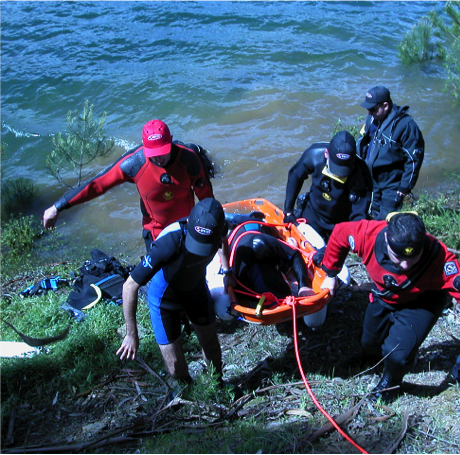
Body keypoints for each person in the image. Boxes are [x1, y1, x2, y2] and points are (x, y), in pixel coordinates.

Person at [320, 212, 460, 402]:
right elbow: (340, 234)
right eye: (397, 256)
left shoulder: (440, 260)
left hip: (421, 302)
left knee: (397, 355)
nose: (405, 264)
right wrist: (330, 274)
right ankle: (370, 358)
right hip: (385, 295)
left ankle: (391, 382)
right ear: (387, 239)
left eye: (413, 257)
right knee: (369, 341)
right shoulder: (367, 235)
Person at [43, 119, 215, 252]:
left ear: (170, 141)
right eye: (153, 154)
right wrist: (58, 206)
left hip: (187, 226)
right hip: (156, 233)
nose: (159, 159)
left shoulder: (189, 159)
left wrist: (214, 228)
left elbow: (207, 199)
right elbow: (97, 185)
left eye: (163, 152)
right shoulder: (135, 163)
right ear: (144, 146)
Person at [116, 198, 230, 384]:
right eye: (196, 243)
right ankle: (188, 387)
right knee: (176, 368)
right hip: (165, 300)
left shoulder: (220, 227)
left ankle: (217, 385)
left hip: (196, 291)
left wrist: (227, 271)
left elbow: (224, 238)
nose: (198, 251)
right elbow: (129, 286)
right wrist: (131, 334)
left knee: (212, 347)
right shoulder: (169, 243)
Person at [283, 131, 372, 241]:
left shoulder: (362, 174)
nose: (339, 174)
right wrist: (288, 210)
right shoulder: (314, 155)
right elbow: (295, 175)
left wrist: (349, 238)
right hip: (312, 213)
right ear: (326, 153)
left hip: (340, 223)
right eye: (336, 168)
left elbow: (359, 213)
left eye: (344, 170)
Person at [357, 86, 424, 221]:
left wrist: (405, 186)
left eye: (373, 109)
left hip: (392, 184)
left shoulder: (406, 125)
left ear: (385, 106)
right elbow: (364, 142)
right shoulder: (372, 119)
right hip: (373, 179)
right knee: (373, 212)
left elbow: (414, 158)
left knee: (385, 219)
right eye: (368, 109)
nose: (370, 113)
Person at [229, 221, 315, 300]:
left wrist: (304, 286)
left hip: (253, 228)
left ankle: (286, 244)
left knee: (275, 233)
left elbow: (294, 254)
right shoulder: (241, 282)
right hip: (239, 237)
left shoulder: (265, 241)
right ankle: (288, 246)